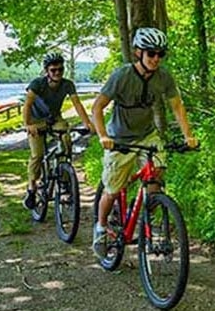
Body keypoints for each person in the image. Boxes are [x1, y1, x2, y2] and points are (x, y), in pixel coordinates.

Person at [91, 27, 198, 258]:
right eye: (151, 53)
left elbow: (177, 106)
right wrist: (103, 136)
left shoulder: (163, 77)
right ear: (139, 52)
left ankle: (149, 219)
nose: (156, 59)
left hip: (147, 134)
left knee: (156, 172)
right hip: (119, 138)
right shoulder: (122, 76)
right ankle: (100, 227)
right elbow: (97, 107)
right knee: (112, 189)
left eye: (161, 54)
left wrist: (188, 136)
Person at [22, 52, 94, 210]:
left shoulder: (67, 84)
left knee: (66, 137)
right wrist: (28, 124)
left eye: (60, 69)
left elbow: (77, 104)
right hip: (35, 120)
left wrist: (87, 123)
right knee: (38, 155)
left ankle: (65, 179)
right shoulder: (37, 84)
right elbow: (27, 105)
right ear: (47, 71)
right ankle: (32, 188)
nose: (57, 73)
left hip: (54, 118)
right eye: (53, 70)